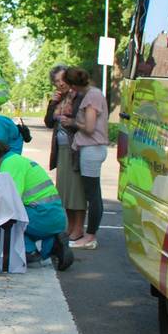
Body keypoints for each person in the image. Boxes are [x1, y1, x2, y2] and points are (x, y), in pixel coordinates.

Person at [0, 138, 74, 270]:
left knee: (4, 218)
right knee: (10, 216)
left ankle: (30, 251)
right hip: (52, 215)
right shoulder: (17, 160)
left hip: (43, 216)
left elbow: (12, 199)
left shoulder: (9, 165)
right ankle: (51, 244)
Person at [61, 67, 109, 250]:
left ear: (74, 84)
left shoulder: (91, 97)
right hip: (91, 149)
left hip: (91, 149)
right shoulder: (93, 94)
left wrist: (72, 122)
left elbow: (89, 127)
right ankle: (89, 235)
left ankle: (90, 237)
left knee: (93, 195)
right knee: (92, 193)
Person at [43, 65, 86, 240]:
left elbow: (84, 121)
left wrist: (71, 121)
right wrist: (53, 103)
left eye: (63, 80)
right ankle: (70, 226)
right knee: (65, 191)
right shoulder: (58, 99)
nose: (60, 84)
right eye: (56, 81)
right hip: (60, 149)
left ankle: (79, 227)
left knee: (77, 190)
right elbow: (48, 122)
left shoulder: (78, 96)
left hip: (75, 148)